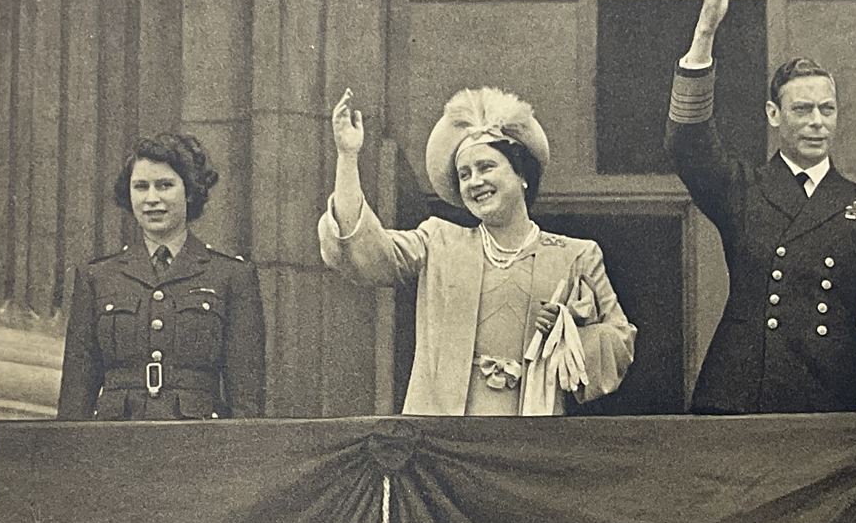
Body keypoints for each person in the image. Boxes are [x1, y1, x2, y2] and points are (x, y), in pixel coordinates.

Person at [664, 0, 856, 414]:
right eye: (802, 110)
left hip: (834, 395)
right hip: (742, 393)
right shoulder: (743, 190)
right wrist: (704, 37)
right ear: (774, 115)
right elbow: (688, 146)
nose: (817, 123)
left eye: (827, 109)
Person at [318, 86, 636, 416]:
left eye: (486, 167)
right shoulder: (438, 241)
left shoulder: (576, 256)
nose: (474, 182)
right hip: (444, 440)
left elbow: (620, 342)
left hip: (532, 439)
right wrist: (347, 157)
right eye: (464, 174)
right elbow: (367, 253)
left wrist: (567, 331)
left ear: (522, 174)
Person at [57, 133, 266, 420]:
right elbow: (75, 397)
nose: (151, 199)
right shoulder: (97, 276)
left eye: (165, 185)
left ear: (189, 191)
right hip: (113, 444)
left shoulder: (230, 275)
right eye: (141, 187)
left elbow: (246, 399)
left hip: (197, 442)